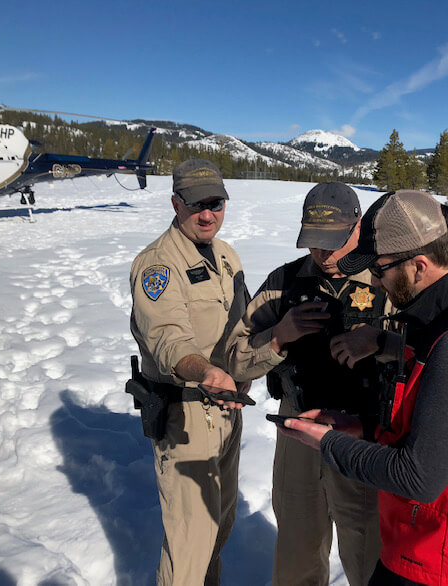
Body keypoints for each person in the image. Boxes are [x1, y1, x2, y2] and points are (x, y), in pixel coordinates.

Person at [280, 190, 448, 586]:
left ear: (419, 265)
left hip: (444, 560)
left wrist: (328, 443)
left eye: (379, 271)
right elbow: (443, 422)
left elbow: (418, 478)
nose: (376, 284)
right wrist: (364, 428)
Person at [227, 182, 393, 586]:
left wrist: (381, 341)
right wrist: (278, 336)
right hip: (297, 431)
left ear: (358, 227)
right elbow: (234, 358)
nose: (323, 254)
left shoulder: (388, 280)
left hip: (362, 436)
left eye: (334, 242)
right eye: (315, 242)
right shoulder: (283, 284)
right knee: (298, 551)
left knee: (369, 554)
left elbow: (427, 351)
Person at [129, 159, 251, 586]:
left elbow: (243, 322)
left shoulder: (226, 255)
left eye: (215, 203)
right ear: (175, 204)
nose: (207, 214)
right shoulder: (157, 265)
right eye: (196, 204)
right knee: (189, 544)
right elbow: (166, 338)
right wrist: (205, 372)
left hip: (228, 410)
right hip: (186, 415)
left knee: (218, 527)